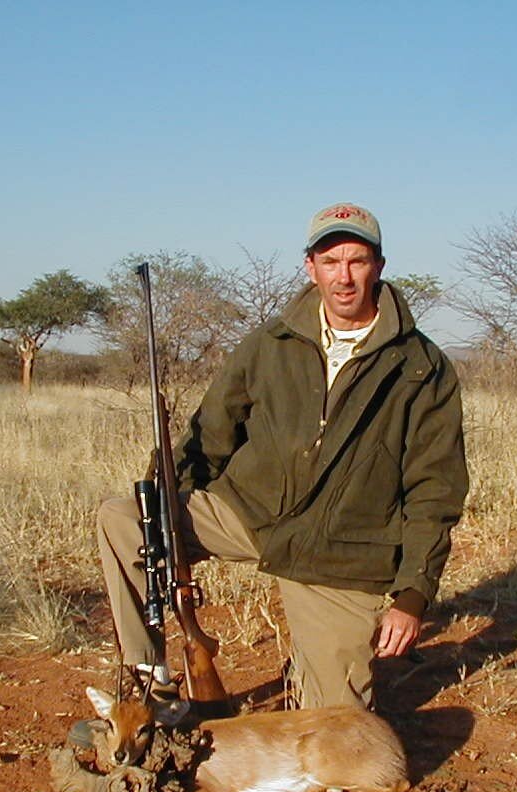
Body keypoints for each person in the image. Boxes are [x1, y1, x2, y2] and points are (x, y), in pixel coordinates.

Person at [96, 202, 468, 709]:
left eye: (356, 261)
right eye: (331, 262)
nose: (344, 278)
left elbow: (434, 492)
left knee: (339, 733)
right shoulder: (268, 343)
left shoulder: (424, 368)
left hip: (340, 554)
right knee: (122, 519)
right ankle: (149, 678)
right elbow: (208, 435)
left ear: (378, 266)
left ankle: (309, 678)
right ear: (309, 266)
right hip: (250, 513)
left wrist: (413, 595)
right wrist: (161, 505)